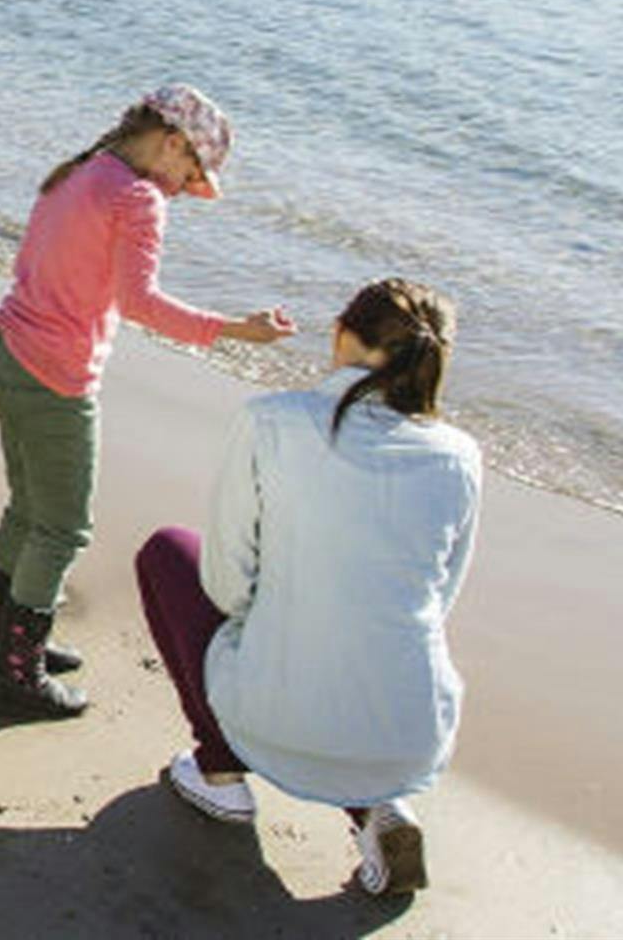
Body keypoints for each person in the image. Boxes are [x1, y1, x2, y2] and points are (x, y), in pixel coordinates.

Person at [136, 278, 479, 898]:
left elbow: (225, 584)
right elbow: (439, 598)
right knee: (371, 622)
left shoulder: (271, 420)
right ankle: (382, 806)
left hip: (278, 721)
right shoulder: (460, 454)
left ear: (343, 334)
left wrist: (281, 609)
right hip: (411, 734)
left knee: (167, 554)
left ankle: (219, 772)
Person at [0, 84, 293, 719]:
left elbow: (36, 264)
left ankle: (3, 640)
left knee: (29, 508)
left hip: (3, 353)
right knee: (62, 529)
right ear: (171, 142)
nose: (183, 187)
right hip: (53, 378)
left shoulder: (79, 172)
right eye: (190, 172)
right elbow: (140, 303)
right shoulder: (139, 198)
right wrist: (237, 330)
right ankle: (16, 672)